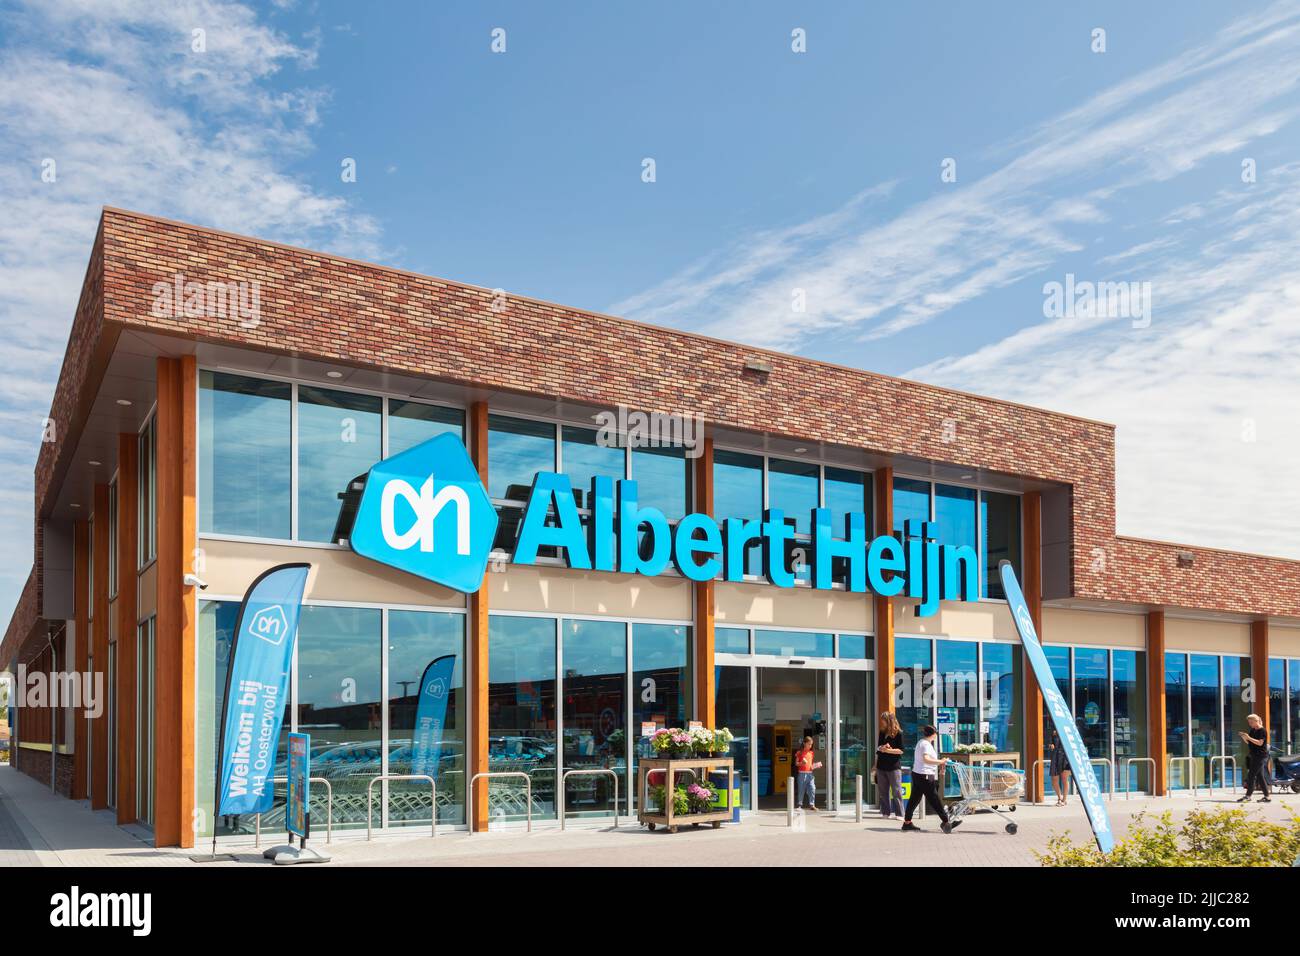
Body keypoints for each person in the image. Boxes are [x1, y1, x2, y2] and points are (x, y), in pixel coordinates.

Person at [902, 725, 959, 833]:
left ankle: (907, 823)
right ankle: (946, 821)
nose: (936, 735)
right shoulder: (925, 744)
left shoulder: (922, 743)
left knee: (914, 799)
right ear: (933, 734)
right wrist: (941, 762)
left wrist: (940, 763)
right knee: (935, 799)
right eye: (936, 733)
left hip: (919, 774)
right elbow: (926, 759)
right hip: (925, 776)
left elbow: (928, 760)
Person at [874, 711, 905, 818]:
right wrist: (882, 748)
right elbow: (878, 748)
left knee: (896, 791)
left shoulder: (898, 733)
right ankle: (886, 812)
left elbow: (901, 751)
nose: (882, 723)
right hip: (881, 766)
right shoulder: (882, 732)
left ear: (889, 721)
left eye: (883, 720)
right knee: (883, 792)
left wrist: (888, 750)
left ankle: (900, 814)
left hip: (894, 766)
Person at [1238, 714, 1271, 803]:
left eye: (1251, 722)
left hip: (1260, 756)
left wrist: (1249, 737)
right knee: (1260, 776)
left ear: (1256, 721)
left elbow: (1260, 743)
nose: (1250, 724)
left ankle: (1248, 796)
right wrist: (1244, 737)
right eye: (1249, 722)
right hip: (1254, 755)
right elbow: (1249, 742)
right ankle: (1267, 797)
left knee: (1251, 775)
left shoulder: (1262, 730)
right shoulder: (1253, 730)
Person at [794, 736, 822, 810]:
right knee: (801, 789)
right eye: (809, 744)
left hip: (810, 773)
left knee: (812, 788)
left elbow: (810, 764)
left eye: (811, 744)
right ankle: (799, 805)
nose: (810, 746)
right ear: (804, 743)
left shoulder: (811, 753)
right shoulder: (799, 752)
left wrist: (815, 766)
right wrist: (801, 763)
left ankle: (812, 805)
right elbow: (796, 763)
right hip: (802, 773)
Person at [1048, 729, 1071, 806]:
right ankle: (1059, 798)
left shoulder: (1068, 731)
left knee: (1064, 778)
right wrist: (1051, 745)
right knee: (1054, 780)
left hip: (1065, 757)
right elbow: (1050, 743)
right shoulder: (1053, 732)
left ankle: (1064, 799)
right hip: (1055, 757)